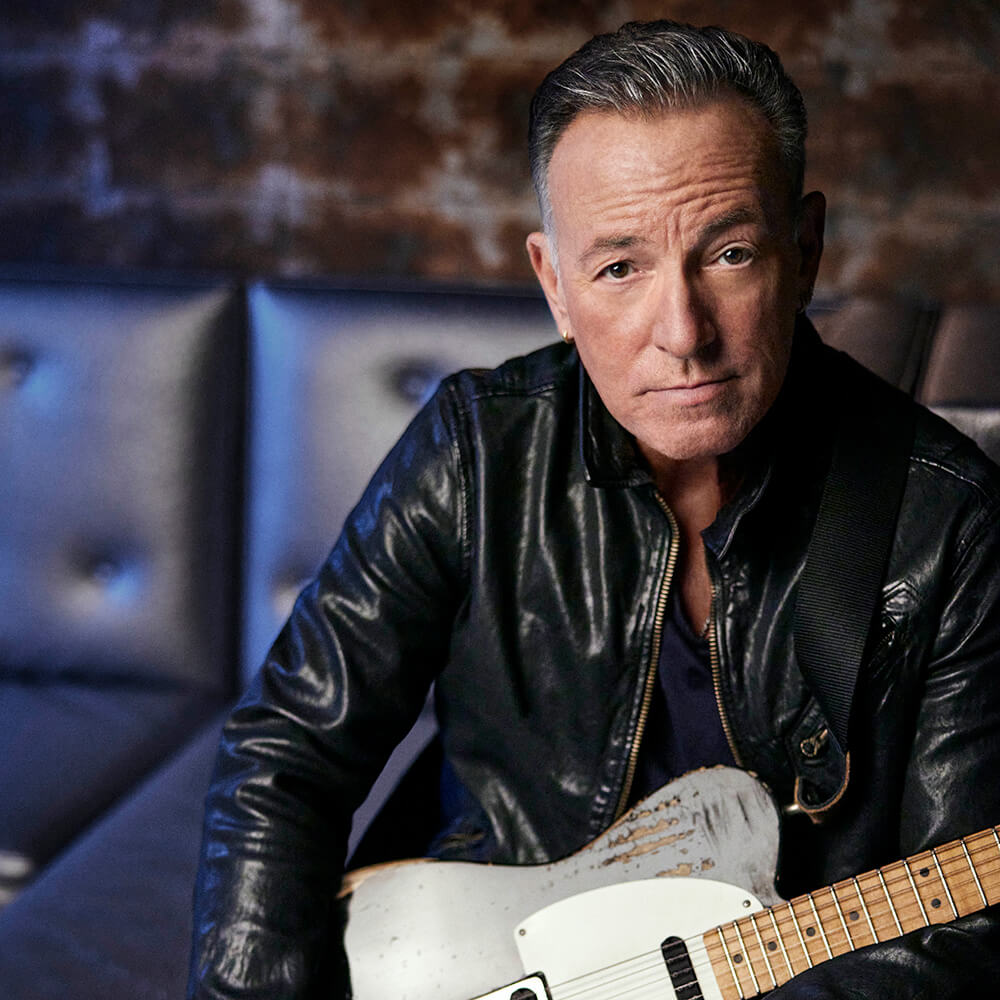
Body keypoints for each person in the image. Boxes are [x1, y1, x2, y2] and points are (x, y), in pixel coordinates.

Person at [188, 19, 1000, 999]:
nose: (682, 333)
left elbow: (963, 928)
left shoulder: (945, 520)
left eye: (730, 252)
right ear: (555, 286)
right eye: (619, 267)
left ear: (806, 249)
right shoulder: (476, 452)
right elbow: (288, 750)